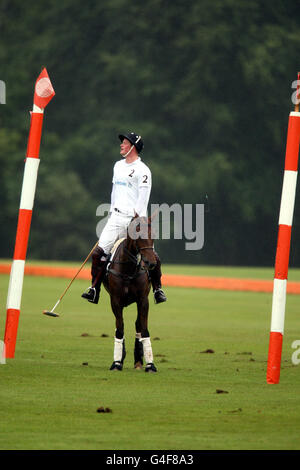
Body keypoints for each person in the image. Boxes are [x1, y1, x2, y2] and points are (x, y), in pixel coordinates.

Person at [82, 131, 167, 305]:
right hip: (116, 218)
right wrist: (112, 212)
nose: (121, 145)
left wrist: (137, 219)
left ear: (133, 147)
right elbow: (115, 191)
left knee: (152, 257)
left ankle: (158, 289)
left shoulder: (143, 171)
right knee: (98, 254)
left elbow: (144, 197)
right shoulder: (117, 166)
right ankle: (94, 290)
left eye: (125, 143)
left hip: (135, 220)